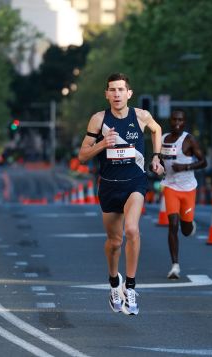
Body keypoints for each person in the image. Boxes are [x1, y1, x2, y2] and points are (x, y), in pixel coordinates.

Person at [78, 73, 164, 315]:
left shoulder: (141, 116)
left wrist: (157, 157)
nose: (116, 94)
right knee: (115, 242)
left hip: (135, 182)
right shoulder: (98, 120)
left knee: (132, 230)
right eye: (112, 90)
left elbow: (157, 130)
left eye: (120, 90)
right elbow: (82, 156)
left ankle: (131, 287)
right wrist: (103, 144)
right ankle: (114, 282)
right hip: (108, 185)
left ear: (129, 94)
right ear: (106, 94)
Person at [160, 109, 207, 279]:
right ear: (170, 121)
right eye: (174, 120)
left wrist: (185, 167)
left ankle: (189, 224)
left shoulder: (189, 140)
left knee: (186, 230)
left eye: (180, 120)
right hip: (170, 186)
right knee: (172, 224)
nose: (177, 123)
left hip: (188, 189)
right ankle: (175, 266)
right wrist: (155, 166)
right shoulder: (163, 138)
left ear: (184, 122)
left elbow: (204, 162)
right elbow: (157, 159)